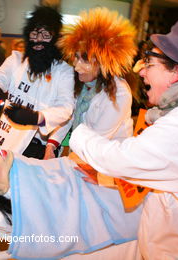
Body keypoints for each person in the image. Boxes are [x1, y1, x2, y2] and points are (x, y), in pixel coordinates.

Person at [69, 16, 178, 259]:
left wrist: (78, 131)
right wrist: (107, 178)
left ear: (176, 72)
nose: (142, 72)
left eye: (150, 63)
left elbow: (122, 158)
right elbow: (163, 165)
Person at [0, 144, 142, 259]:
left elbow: (57, 171)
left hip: (95, 180)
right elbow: (49, 231)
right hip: (105, 200)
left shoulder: (15, 170)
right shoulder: (22, 200)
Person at [0, 5, 75, 159]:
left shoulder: (63, 71)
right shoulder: (16, 60)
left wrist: (37, 117)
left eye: (45, 35)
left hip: (38, 146)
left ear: (55, 38)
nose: (39, 41)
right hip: (7, 139)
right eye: (34, 34)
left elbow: (66, 107)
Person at [57, 7, 137, 152]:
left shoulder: (119, 93)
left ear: (104, 63)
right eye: (76, 57)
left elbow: (98, 141)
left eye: (85, 60)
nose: (76, 67)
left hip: (106, 164)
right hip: (80, 157)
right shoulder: (83, 83)